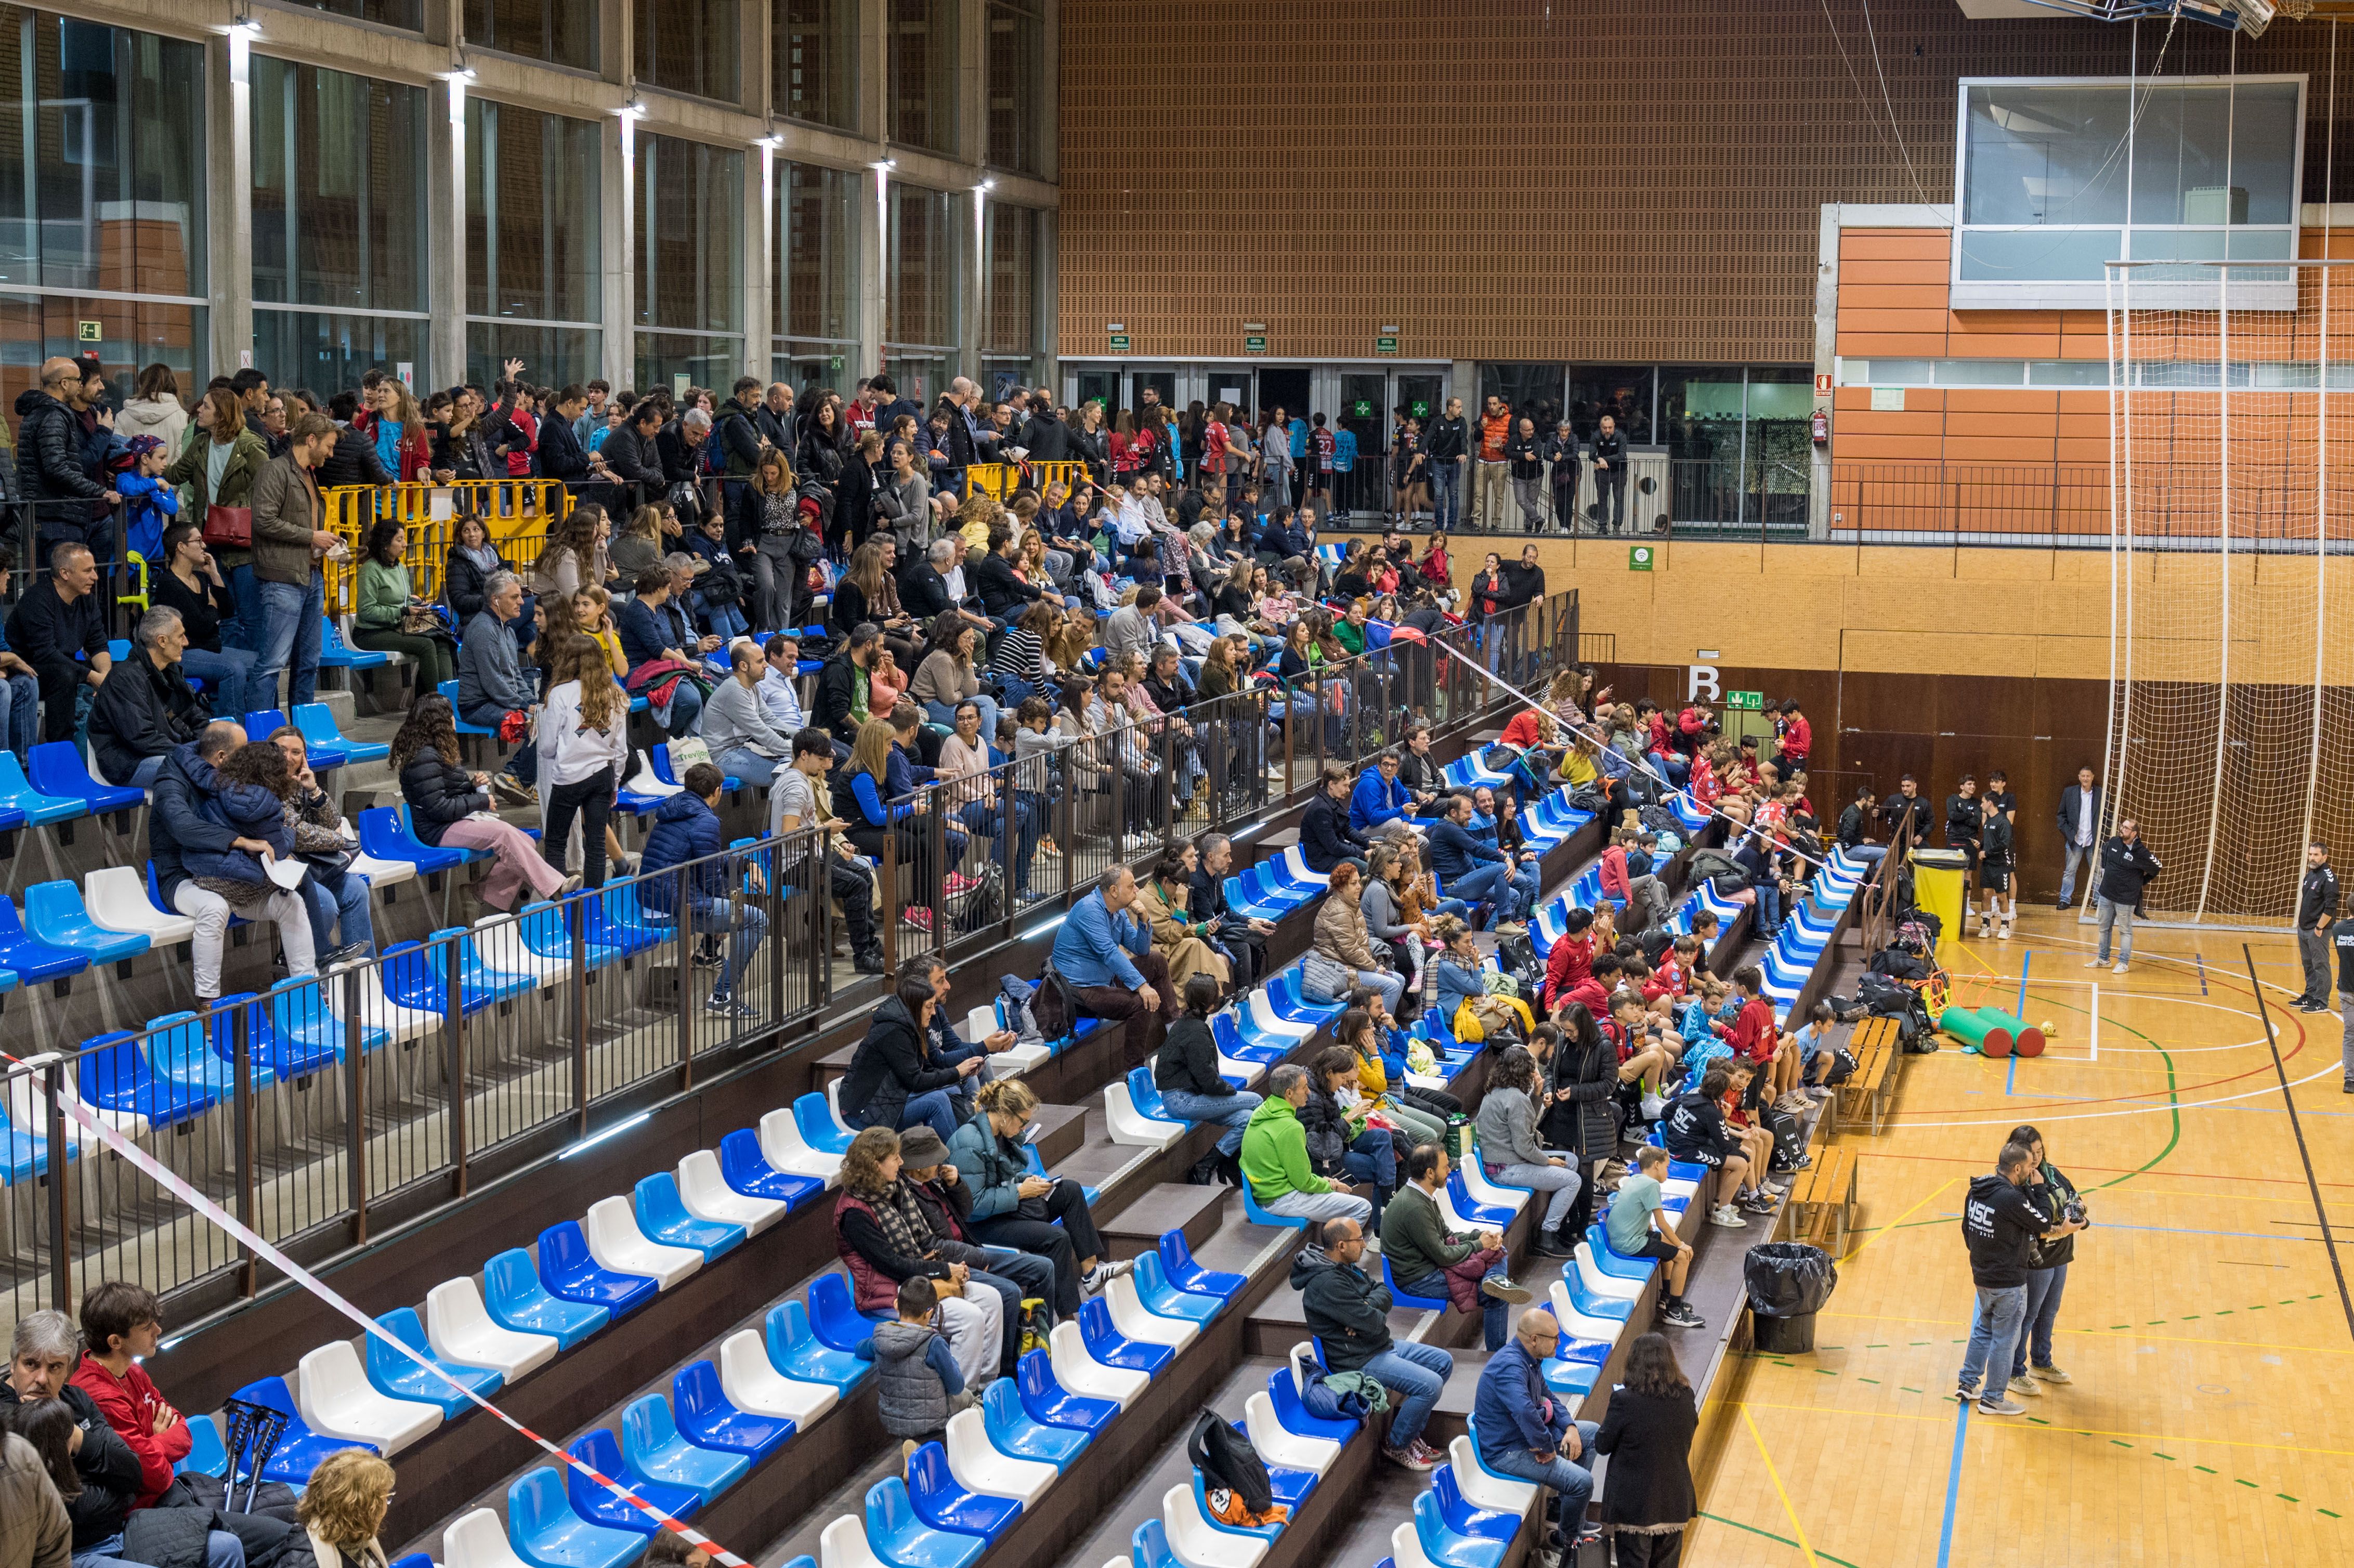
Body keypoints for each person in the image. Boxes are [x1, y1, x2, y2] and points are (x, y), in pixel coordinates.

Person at [5, 1305, 245, 1568]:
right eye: (31, 1364)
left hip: (125, 1530)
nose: (41, 1378)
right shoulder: (6, 1418)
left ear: (67, 1370)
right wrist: (119, 1495)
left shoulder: (77, 1399)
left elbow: (132, 1472)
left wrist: (76, 1438)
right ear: (13, 1361)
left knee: (227, 1547)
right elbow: (58, 1510)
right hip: (68, 1553)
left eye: (54, 1367)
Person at [832, 1126, 1003, 1392]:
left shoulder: (892, 1186)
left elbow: (921, 1243)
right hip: (887, 1293)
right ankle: (960, 1395)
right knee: (969, 1317)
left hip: (916, 1279)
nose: (902, 1163)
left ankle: (984, 1385)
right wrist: (944, 1269)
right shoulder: (855, 1214)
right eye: (896, 1158)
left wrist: (947, 1269)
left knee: (991, 1299)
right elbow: (893, 1266)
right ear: (876, 1165)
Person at [945, 1077, 1129, 1319]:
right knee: (1057, 1238)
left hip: (1001, 1206)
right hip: (978, 1226)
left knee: (1070, 1190)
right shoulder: (969, 1143)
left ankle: (1091, 1271)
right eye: (1023, 1122)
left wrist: (1026, 1181)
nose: (1024, 1129)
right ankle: (1067, 1319)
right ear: (1004, 1114)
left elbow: (1003, 1175)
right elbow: (973, 1206)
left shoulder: (998, 1133)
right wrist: (1020, 1192)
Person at [1289, 1214, 1454, 1471]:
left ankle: (1411, 1435)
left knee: (1443, 1362)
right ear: (1341, 1245)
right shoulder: (1326, 1284)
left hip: (1378, 1345)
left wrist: (1366, 1305)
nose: (1365, 1244)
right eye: (1359, 1239)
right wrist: (1367, 1311)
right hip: (1359, 1359)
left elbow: (1384, 1291)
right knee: (1430, 1385)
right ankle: (1397, 1445)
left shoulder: (1345, 1267)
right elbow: (1374, 1322)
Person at [894, 1124, 1058, 1375]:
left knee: (1044, 1268)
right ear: (918, 1165)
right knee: (1008, 1292)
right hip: (954, 1262)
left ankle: (1037, 1345)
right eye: (935, 1159)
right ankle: (1008, 1370)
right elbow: (933, 1247)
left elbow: (966, 1214)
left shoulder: (932, 1182)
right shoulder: (907, 1196)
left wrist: (956, 1184)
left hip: (970, 1249)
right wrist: (977, 1256)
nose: (941, 1162)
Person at [393, 696, 577, 915]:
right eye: (450, 714)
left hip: (451, 821)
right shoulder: (423, 757)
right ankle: (555, 886)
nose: (454, 718)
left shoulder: (436, 750)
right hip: (436, 829)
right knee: (504, 835)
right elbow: (438, 808)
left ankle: (478, 892)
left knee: (526, 840)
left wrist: (472, 787)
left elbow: (445, 794)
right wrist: (481, 800)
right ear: (438, 721)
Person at [1958, 1140, 2086, 1416]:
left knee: (1984, 1328)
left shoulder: (1977, 1190)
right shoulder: (2011, 1199)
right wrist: (2040, 1190)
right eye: (2030, 1166)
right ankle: (1993, 1398)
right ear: (2017, 1167)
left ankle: (1967, 1384)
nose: (2034, 1169)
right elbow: (2041, 1222)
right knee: (2006, 1339)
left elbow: (1967, 1230)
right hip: (2008, 1281)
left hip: (1982, 1275)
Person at [641, 762, 767, 1017]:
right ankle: (723, 996)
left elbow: (711, 860)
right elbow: (710, 880)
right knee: (756, 920)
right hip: (673, 906)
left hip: (654, 900)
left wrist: (747, 864)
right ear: (718, 791)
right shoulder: (705, 820)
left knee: (731, 887)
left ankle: (707, 954)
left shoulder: (674, 809)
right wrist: (728, 919)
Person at [1381, 1142, 1527, 1352]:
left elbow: (1447, 1236)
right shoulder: (1413, 1207)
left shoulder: (1422, 1195)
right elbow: (1442, 1256)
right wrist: (1478, 1244)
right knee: (1497, 1295)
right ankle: (1496, 1356)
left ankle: (1495, 1279)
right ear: (1430, 1173)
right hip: (1418, 1279)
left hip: (1432, 1265)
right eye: (1445, 1167)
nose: (1450, 1170)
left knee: (1498, 1250)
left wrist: (1480, 1236)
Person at [1473, 1312, 1602, 1548]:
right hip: (1507, 1451)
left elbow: (1549, 1397)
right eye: (1554, 1337)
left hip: (1525, 1437)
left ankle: (1561, 1510)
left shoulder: (1531, 1361)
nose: (1559, 1342)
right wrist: (1546, 1446)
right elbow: (1525, 1413)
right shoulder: (1510, 1367)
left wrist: (1571, 1427)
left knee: (1591, 1434)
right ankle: (1568, 1541)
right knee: (1582, 1483)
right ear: (1534, 1339)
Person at [246, 413, 341, 718]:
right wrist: (311, 536)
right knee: (272, 663)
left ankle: (302, 735)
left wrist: (322, 543)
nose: (331, 453)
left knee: (309, 661)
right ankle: (261, 738)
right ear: (310, 440)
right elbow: (263, 521)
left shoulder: (309, 475)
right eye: (328, 446)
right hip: (282, 579)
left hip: (311, 576)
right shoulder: (274, 471)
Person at [768, 726, 882, 974]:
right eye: (820, 759)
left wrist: (832, 836)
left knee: (862, 873)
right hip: (795, 865)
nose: (824, 765)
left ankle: (871, 946)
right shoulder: (797, 788)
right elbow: (788, 834)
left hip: (811, 856)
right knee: (856, 885)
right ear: (804, 755)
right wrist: (826, 829)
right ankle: (862, 955)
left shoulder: (795, 779)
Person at [1049, 867, 1179, 1069]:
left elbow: (1140, 949)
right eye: (1131, 886)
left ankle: (1175, 1031)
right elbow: (1109, 953)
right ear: (1114, 891)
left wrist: (1145, 920)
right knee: (1140, 1002)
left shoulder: (1118, 913)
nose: (1137, 890)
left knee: (1156, 960)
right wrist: (1141, 985)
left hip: (1104, 980)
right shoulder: (1089, 910)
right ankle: (1135, 1071)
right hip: (1078, 989)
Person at [1593, 1332, 1699, 1568]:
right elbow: (1688, 1435)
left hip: (1635, 1504)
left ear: (1633, 1363)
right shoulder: (1686, 1396)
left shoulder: (1624, 1400)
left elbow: (1603, 1445)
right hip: (1675, 1499)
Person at [534, 635, 629, 892]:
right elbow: (620, 750)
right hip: (603, 775)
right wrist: (615, 785)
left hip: (569, 778)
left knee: (555, 841)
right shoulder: (616, 694)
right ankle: (594, 902)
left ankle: (561, 904)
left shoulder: (559, 695)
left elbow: (545, 748)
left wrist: (570, 746)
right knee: (597, 842)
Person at [843, 971, 982, 1142]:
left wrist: (962, 1073)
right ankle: (956, 1158)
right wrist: (956, 1072)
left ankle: (972, 1145)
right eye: (929, 1007)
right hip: (866, 1113)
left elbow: (928, 1068)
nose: (933, 1013)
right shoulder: (894, 1032)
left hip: (892, 1098)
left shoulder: (911, 1025)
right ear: (916, 1007)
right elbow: (916, 1081)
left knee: (952, 1089)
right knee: (936, 1101)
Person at [1474, 1046, 1580, 1255]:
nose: (1535, 1074)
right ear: (1524, 1072)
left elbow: (1523, 1125)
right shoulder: (1516, 1099)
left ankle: (1560, 1225)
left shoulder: (1497, 1092)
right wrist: (1548, 1162)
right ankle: (1548, 1237)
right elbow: (1524, 1146)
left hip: (1507, 1160)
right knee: (1573, 1180)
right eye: (1532, 1070)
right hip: (1505, 1169)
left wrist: (1538, 1095)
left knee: (1571, 1160)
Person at [2002, 1122, 2081, 1401]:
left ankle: (2041, 1362)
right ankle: (2014, 1371)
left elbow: (2072, 1195)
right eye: (2031, 1153)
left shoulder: (2051, 1173)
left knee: (2050, 1312)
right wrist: (2062, 1228)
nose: (2036, 1158)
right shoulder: (2016, 1187)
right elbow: (2037, 1223)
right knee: (2028, 1315)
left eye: (2040, 1151)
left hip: (2060, 1254)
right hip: (2038, 1260)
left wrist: (2078, 1213)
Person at [1156, 971, 1260, 1177]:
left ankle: (1208, 1166)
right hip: (1181, 1101)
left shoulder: (1186, 1025)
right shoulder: (1196, 1032)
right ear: (1211, 1005)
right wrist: (1229, 1089)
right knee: (1256, 1101)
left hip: (1184, 1096)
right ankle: (1223, 1165)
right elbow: (1207, 1079)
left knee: (1247, 1119)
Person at [87, 608, 206, 790]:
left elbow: (196, 718)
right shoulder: (124, 679)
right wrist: (192, 753)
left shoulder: (171, 671)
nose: (186, 642)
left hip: (169, 753)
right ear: (162, 641)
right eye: (181, 636)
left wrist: (210, 746)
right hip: (130, 763)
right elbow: (143, 740)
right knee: (198, 770)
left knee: (225, 761)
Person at [1240, 1064, 1371, 1226]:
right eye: (1304, 1088)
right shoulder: (1291, 1127)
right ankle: (1336, 1251)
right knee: (1363, 1207)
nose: (1309, 1092)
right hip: (1281, 1199)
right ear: (1289, 1093)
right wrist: (1333, 1186)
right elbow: (1303, 1183)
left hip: (1264, 1192)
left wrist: (1326, 1183)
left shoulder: (1262, 1112)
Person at [8, 542, 111, 742]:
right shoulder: (37, 599)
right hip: (28, 669)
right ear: (65, 573)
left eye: (95, 570)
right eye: (88, 571)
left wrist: (105, 675)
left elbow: (98, 644)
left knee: (125, 670)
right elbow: (45, 654)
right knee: (64, 675)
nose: (95, 577)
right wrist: (92, 677)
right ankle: (62, 746)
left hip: (64, 666)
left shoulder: (86, 599)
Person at [863, 1275, 977, 1447]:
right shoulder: (934, 1343)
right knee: (971, 1401)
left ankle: (915, 1448)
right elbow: (956, 1386)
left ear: (896, 1305)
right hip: (932, 1422)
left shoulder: (880, 1339)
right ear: (929, 1313)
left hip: (895, 1420)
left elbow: (861, 1349)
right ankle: (962, 1452)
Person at [456, 570, 539, 804]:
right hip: (478, 705)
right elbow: (493, 682)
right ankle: (514, 775)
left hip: (498, 700)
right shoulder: (483, 629)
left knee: (547, 719)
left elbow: (516, 677)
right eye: (514, 597)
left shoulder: (508, 630)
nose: (522, 602)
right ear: (496, 600)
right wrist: (525, 706)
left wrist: (531, 702)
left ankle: (521, 778)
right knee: (537, 726)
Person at [1608, 1147, 1703, 1329]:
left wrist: (1667, 1242)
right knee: (1683, 1257)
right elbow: (1662, 1223)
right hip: (1630, 1244)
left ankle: (1667, 1296)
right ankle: (1674, 1310)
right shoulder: (1651, 1185)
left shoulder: (1635, 1179)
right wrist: (1682, 1245)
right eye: (1667, 1167)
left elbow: (1644, 1218)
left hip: (1623, 1239)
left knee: (1664, 1243)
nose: (1668, 1171)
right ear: (1657, 1165)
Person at [1661, 1065, 1754, 1230]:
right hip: (1683, 1152)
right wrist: (1743, 1156)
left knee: (1742, 1153)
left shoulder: (1689, 1095)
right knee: (1741, 1163)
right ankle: (1721, 1212)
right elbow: (1725, 1146)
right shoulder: (1711, 1112)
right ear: (1721, 1093)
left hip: (1679, 1144)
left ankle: (1718, 1201)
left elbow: (1665, 1113)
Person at [1309, 862, 1404, 1014]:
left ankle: (1379, 1027)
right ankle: (1377, 1029)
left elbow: (1361, 943)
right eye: (1354, 884)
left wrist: (1375, 964)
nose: (1359, 887)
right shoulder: (1338, 912)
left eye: (1359, 882)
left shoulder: (1352, 906)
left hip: (1354, 967)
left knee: (1400, 980)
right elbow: (1351, 951)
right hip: (1342, 972)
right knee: (1392, 985)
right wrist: (1374, 968)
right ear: (1340, 887)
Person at [699, 641, 792, 790]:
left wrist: (803, 736)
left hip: (743, 749)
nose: (766, 665)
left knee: (798, 764)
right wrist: (797, 751)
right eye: (760, 661)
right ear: (743, 666)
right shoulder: (734, 691)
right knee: (792, 771)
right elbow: (760, 731)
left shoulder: (752, 686)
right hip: (723, 757)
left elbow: (770, 720)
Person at [1133, 844, 1227, 988]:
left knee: (1200, 944)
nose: (1181, 891)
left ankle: (1214, 993)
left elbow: (1181, 928)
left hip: (1169, 947)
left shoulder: (1165, 893)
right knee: (1195, 946)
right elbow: (1173, 935)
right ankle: (1212, 996)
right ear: (1165, 881)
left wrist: (1203, 928)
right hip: (1155, 953)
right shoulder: (1148, 900)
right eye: (1179, 886)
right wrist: (1182, 906)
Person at [1191, 832, 1273, 990]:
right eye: (1226, 855)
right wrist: (1248, 928)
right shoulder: (1198, 882)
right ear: (1211, 857)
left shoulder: (1214, 876)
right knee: (1242, 947)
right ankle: (1245, 996)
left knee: (1254, 935)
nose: (1230, 860)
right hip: (1203, 935)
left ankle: (1250, 991)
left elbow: (1226, 911)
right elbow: (1211, 925)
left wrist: (1251, 921)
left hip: (1216, 928)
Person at [2087, 816, 2161, 975]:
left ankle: (2123, 963)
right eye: (2122, 826)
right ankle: (2103, 959)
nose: (2122, 829)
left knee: (2125, 930)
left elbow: (2157, 867)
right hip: (2106, 894)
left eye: (2126, 828)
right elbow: (2105, 853)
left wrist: (2142, 881)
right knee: (2104, 928)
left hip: (2126, 899)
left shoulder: (2141, 852)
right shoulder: (2114, 842)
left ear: (2134, 833)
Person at [1301, 763, 1370, 877]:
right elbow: (1334, 847)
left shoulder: (1332, 801)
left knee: (1379, 841)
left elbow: (1347, 829)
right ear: (1332, 784)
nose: (1348, 790)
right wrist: (1363, 854)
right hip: (1323, 861)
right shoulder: (1321, 810)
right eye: (1345, 786)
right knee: (1368, 868)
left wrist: (1368, 842)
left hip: (1333, 855)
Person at [2296, 843, 2339, 1014]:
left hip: (2318, 930)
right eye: (2311, 854)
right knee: (2308, 964)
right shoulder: (2310, 875)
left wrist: (2320, 927)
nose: (2312, 858)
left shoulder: (2328, 878)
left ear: (2325, 857)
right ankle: (2310, 995)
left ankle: (2321, 1001)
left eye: (2316, 855)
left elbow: (2330, 907)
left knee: (2320, 965)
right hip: (2304, 928)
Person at [2055, 764, 2101, 912]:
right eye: (2083, 776)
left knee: (2097, 871)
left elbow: (2108, 816)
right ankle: (2064, 900)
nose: (2085, 778)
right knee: (2070, 871)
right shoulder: (2070, 793)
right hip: (2075, 840)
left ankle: (2099, 901)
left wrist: (2101, 835)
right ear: (2079, 777)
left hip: (2094, 840)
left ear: (2093, 777)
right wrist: (2069, 834)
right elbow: (2061, 815)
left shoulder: (2100, 793)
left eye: (2088, 776)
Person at [1590, 412, 1627, 533]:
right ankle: (1602, 526)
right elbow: (1591, 454)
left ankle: (1617, 526)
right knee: (1602, 499)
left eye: (1610, 428)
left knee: (1619, 498)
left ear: (1614, 426)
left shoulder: (1621, 435)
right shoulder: (1595, 436)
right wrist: (1599, 459)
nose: (1607, 430)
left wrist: (1603, 459)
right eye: (1605, 428)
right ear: (1600, 427)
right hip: (1602, 472)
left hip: (1620, 471)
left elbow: (1622, 455)